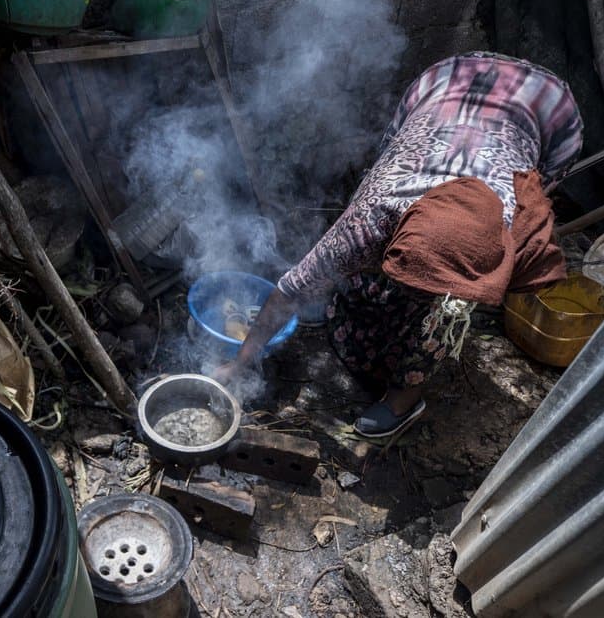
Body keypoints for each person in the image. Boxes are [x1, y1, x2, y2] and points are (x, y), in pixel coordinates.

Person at [213, 51, 583, 437]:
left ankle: (404, 399)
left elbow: (543, 181)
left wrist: (440, 293)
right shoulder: (368, 220)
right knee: (365, 284)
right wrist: (240, 363)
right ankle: (377, 317)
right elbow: (290, 290)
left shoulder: (510, 222)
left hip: (551, 110)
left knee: (443, 315)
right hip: (448, 80)